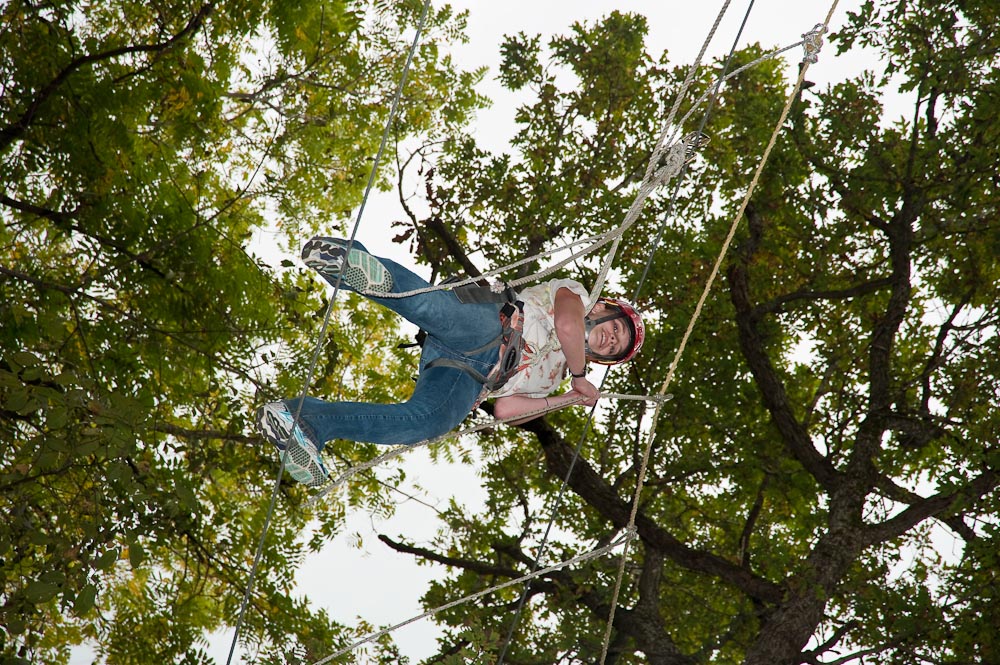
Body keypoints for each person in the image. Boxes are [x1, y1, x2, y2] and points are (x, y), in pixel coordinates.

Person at [256, 237, 645, 486]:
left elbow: (506, 410)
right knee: (432, 308)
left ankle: (307, 421)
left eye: (614, 348)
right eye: (616, 330)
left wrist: (569, 397)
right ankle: (350, 262)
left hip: (471, 376)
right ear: (605, 310)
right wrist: (580, 377)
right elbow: (565, 325)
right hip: (494, 325)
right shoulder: (575, 295)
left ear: (602, 358)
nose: (611, 339)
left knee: (430, 420)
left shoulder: (558, 379)